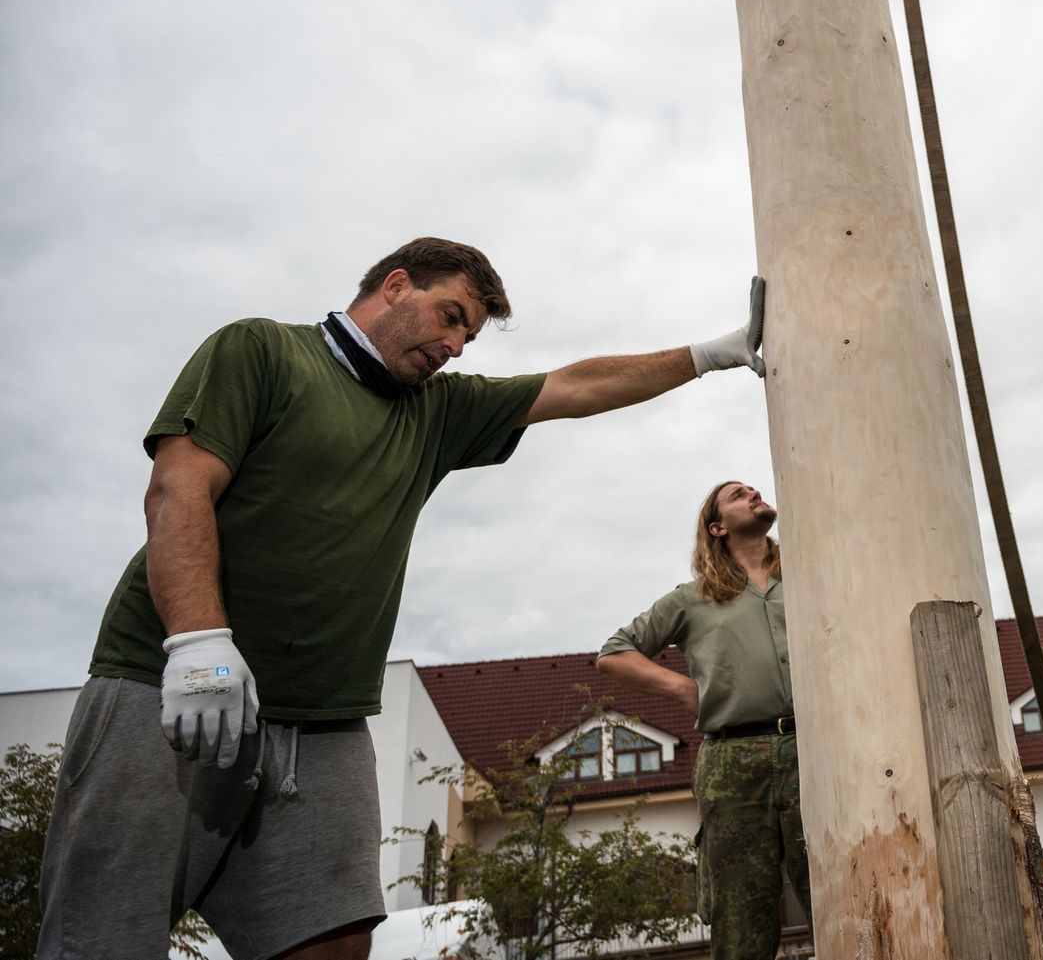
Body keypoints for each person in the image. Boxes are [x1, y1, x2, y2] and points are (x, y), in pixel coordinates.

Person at [38, 237, 766, 960]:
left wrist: (713, 353)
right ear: (394, 286)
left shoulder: (438, 411)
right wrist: (197, 644)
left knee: (334, 940)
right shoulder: (262, 351)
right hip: (168, 685)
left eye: (468, 335)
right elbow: (178, 486)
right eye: (448, 317)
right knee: (103, 935)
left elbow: (575, 385)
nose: (454, 345)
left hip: (323, 722)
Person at [596, 481, 808, 960]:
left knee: (834, 887)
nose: (753, 493)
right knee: (741, 910)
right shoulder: (693, 598)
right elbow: (613, 653)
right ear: (717, 527)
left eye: (755, 489)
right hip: (732, 762)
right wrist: (680, 686)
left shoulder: (807, 577)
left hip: (811, 752)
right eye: (738, 495)